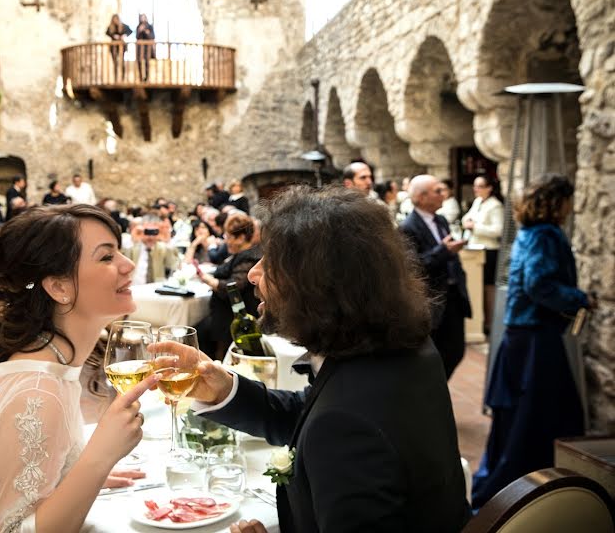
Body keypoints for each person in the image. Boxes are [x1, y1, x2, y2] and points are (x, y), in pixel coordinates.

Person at [179, 186, 470, 533]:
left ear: (315, 284)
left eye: (270, 262)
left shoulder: (345, 426)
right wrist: (225, 390)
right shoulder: (407, 350)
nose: (254, 275)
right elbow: (311, 413)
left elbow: (334, 425)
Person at [0, 204, 160, 532]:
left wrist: (72, 477)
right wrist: (98, 458)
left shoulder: (51, 361)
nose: (128, 265)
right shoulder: (37, 389)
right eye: (107, 257)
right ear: (59, 287)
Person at [471, 174, 592, 509]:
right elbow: (539, 285)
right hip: (535, 339)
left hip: (521, 338)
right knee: (534, 421)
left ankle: (506, 489)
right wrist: (578, 298)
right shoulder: (545, 234)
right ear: (557, 202)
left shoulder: (529, 232)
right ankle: (523, 492)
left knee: (520, 420)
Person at [400, 175, 471, 380]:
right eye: (437, 191)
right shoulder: (408, 227)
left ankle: (438, 385)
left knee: (456, 350)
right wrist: (444, 250)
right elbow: (414, 266)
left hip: (453, 296)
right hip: (432, 300)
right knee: (435, 352)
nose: (443, 195)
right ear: (421, 197)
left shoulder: (441, 220)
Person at [194, 213, 261, 360]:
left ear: (242, 238)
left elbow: (234, 286)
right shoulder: (241, 254)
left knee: (197, 333)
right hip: (224, 313)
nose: (227, 242)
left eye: (229, 237)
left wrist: (209, 280)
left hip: (232, 318)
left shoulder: (249, 257)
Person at [461, 175, 504, 335]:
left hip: (489, 250)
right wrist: (468, 223)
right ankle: (480, 321)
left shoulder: (495, 206)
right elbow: (467, 218)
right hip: (476, 248)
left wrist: (475, 226)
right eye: (475, 186)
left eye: (479, 186)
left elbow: (498, 230)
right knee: (477, 287)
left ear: (489, 188)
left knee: (488, 288)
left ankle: (490, 323)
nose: (476, 189)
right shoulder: (478, 202)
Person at [125, 219, 181, 285]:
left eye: (154, 232)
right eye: (147, 232)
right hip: (135, 287)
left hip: (156, 289)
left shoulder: (163, 248)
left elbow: (174, 266)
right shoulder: (133, 248)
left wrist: (167, 240)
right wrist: (133, 238)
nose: (150, 237)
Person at [105, 14, 132, 81]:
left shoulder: (123, 26)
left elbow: (130, 31)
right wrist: (113, 36)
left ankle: (122, 78)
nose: (115, 21)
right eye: (114, 19)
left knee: (122, 62)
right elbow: (107, 33)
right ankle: (116, 78)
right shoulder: (111, 27)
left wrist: (124, 35)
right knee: (115, 63)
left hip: (121, 46)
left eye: (116, 19)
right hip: (114, 47)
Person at [135, 13, 155, 82]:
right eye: (141, 17)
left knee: (147, 62)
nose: (142, 19)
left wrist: (147, 32)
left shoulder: (149, 26)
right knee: (139, 61)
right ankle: (140, 77)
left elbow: (152, 37)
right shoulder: (138, 26)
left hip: (147, 48)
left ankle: (146, 78)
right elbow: (137, 37)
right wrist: (140, 30)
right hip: (140, 48)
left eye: (144, 17)